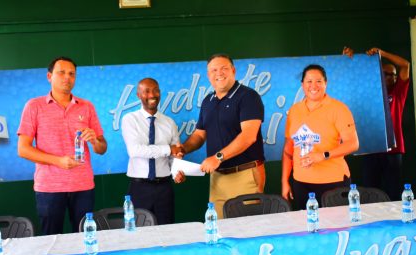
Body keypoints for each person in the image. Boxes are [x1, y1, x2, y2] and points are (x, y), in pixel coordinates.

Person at [17, 56, 107, 235]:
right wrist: (58, 161)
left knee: (86, 237)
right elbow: (23, 149)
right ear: (49, 76)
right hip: (49, 187)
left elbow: (102, 149)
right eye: (62, 73)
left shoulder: (87, 106)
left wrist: (95, 141)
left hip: (83, 185)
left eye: (72, 74)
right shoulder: (34, 106)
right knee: (51, 239)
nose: (67, 77)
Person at [180, 53, 266, 219]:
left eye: (224, 68)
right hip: (217, 179)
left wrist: (218, 157)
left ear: (233, 70)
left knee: (246, 232)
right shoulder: (208, 101)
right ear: (208, 75)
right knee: (218, 231)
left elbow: (249, 136)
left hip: (245, 175)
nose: (219, 73)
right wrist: (183, 149)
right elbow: (199, 135)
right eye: (214, 70)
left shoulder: (248, 96)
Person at [281, 64, 359, 209]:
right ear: (302, 85)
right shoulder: (294, 110)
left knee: (336, 227)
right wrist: (285, 181)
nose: (313, 86)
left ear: (326, 83)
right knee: (307, 227)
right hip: (301, 183)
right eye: (309, 81)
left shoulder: (339, 109)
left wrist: (323, 155)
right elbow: (288, 148)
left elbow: (353, 143)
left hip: (333, 181)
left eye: (319, 81)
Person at [343, 47, 410, 200]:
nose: (389, 77)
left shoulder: (398, 93)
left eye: (392, 75)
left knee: (393, 192)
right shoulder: (369, 91)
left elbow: (405, 65)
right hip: (371, 149)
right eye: (384, 74)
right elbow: (350, 80)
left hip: (393, 151)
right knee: (370, 193)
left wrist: (383, 54)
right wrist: (347, 60)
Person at [121, 78, 185, 225]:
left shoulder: (169, 123)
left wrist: (177, 173)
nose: (152, 95)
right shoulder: (130, 120)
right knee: (138, 235)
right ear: (138, 95)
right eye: (147, 91)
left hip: (164, 187)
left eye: (155, 90)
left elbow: (174, 156)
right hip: (139, 188)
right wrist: (168, 149)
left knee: (166, 232)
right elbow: (135, 150)